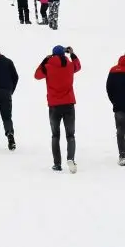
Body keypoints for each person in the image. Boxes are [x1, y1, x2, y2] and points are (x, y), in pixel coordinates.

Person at [35, 45, 81, 173]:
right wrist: (72, 53)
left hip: (54, 106)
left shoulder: (48, 66)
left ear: (53, 54)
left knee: (55, 135)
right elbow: (78, 65)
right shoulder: (70, 65)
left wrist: (45, 60)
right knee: (70, 135)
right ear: (64, 53)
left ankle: (57, 164)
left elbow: (37, 75)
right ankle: (71, 158)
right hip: (69, 104)